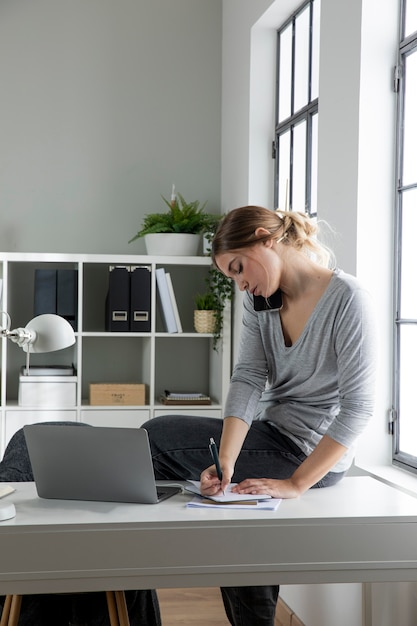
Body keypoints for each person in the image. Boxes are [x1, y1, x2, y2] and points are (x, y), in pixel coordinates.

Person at [143, 205, 377, 626]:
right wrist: (226, 460)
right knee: (234, 514)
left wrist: (296, 483)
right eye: (231, 278)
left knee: (154, 437)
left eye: (238, 268)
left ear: (265, 239)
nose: (240, 283)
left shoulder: (347, 300)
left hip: (310, 454)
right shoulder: (261, 302)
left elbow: (360, 407)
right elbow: (249, 377)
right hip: (272, 436)